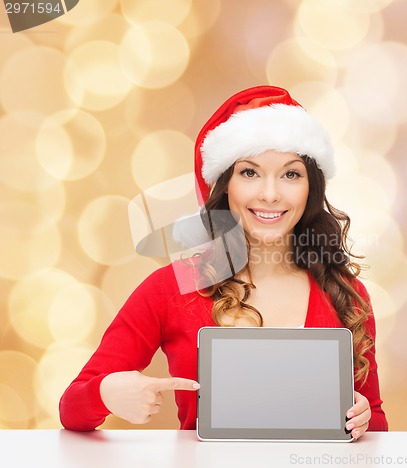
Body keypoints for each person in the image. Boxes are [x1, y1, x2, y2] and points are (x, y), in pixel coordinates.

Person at [59, 86, 388, 438]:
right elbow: (72, 408)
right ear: (225, 185)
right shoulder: (171, 288)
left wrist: (363, 420)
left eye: (291, 174)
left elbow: (376, 425)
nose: (270, 193)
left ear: (311, 189)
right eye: (250, 172)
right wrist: (107, 394)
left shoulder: (345, 294)